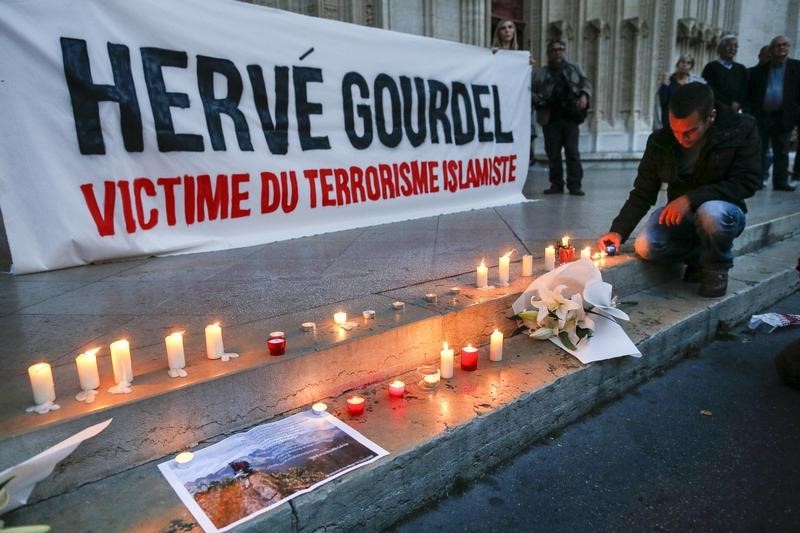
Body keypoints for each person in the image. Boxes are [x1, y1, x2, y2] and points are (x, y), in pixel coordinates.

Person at [597, 83, 760, 298]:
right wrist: (618, 231)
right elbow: (643, 191)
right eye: (676, 131)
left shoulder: (740, 129)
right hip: (682, 217)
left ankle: (716, 268)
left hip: (724, 211)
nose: (682, 140)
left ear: (710, 117)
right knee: (647, 245)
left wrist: (691, 199)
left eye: (690, 132)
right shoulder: (661, 141)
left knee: (711, 213)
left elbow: (748, 181)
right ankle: (698, 257)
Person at [533, 40, 592, 195]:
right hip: (550, 117)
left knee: (572, 152)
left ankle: (575, 185)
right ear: (549, 53)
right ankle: (556, 184)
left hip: (570, 117)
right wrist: (535, 97)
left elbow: (586, 83)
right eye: (554, 49)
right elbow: (531, 89)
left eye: (560, 49)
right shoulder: (541, 72)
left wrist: (585, 95)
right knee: (553, 154)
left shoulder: (574, 69)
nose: (557, 52)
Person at [746, 35, 800, 192]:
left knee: (781, 151)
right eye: (777, 45)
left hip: (784, 116)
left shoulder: (796, 68)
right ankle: (757, 181)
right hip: (762, 116)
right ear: (771, 50)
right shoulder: (760, 70)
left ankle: (780, 182)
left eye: (785, 45)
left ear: (789, 48)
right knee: (759, 149)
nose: (782, 48)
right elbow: (750, 94)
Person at [492, 20, 538, 165]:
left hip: (518, 104)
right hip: (500, 102)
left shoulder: (522, 57)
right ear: (498, 32)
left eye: (510, 27)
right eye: (503, 28)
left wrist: (528, 66)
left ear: (514, 32)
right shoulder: (491, 53)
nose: (507, 31)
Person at [654, 54, 705, 130]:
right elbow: (662, 102)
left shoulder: (693, 83)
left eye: (688, 63)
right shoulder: (669, 80)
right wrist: (664, 85)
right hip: (669, 121)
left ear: (691, 67)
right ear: (677, 64)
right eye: (682, 62)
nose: (684, 65)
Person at [701, 35, 748, 113]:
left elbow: (744, 89)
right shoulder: (711, 67)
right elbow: (708, 89)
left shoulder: (741, 69)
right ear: (720, 48)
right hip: (717, 109)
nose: (732, 49)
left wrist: (738, 103)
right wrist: (727, 104)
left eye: (735, 46)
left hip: (735, 111)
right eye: (729, 45)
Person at [748, 46, 774, 187]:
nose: (768, 59)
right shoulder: (750, 73)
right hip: (753, 117)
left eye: (771, 57)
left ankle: (763, 175)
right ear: (759, 56)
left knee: (768, 150)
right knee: (756, 148)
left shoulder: (773, 74)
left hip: (770, 118)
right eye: (766, 56)